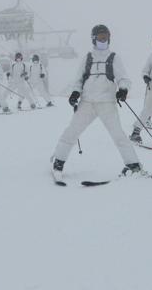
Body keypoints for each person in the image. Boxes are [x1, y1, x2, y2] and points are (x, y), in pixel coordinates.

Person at [52, 24, 141, 181]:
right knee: (72, 132)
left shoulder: (114, 57)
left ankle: (133, 165)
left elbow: (124, 78)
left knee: (118, 135)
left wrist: (123, 89)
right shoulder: (87, 58)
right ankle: (58, 161)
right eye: (100, 37)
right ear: (94, 39)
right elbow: (78, 79)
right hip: (87, 102)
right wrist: (75, 92)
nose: (103, 40)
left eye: (105, 37)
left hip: (107, 103)